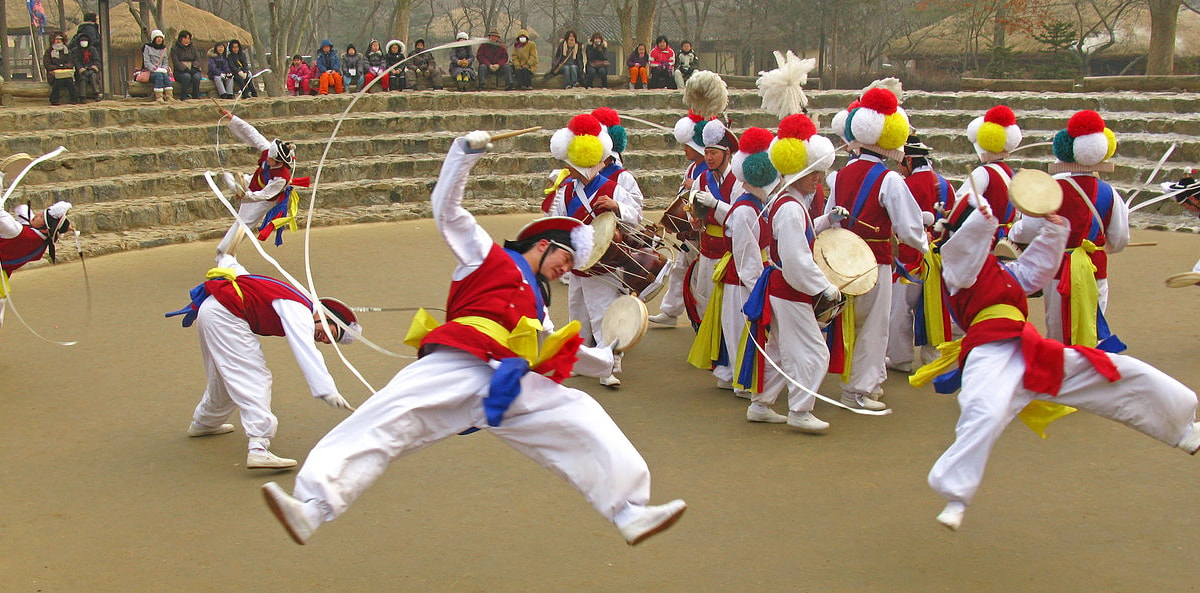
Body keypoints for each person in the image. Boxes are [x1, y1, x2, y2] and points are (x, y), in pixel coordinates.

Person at [260, 131, 687, 547]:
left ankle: (628, 510)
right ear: (542, 243)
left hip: (510, 382)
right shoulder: (485, 254)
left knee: (582, 413)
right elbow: (446, 210)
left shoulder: (539, 306)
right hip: (457, 362)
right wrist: (462, 153)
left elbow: (558, 349)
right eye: (565, 257)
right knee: (383, 418)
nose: (567, 268)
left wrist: (606, 352)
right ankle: (312, 506)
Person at [912, 197, 1200, 532]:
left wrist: (1054, 230)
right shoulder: (956, 267)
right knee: (984, 410)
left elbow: (1035, 270)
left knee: (1113, 371)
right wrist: (982, 219)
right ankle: (956, 496)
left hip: (1030, 349)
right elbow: (964, 247)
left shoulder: (1001, 271)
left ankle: (1183, 429)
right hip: (988, 350)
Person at [166, 253, 360, 470]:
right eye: (332, 333)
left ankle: (205, 422)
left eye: (330, 341)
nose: (325, 340)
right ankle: (259, 446)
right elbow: (306, 349)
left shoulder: (294, 301)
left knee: (224, 376)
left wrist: (226, 254)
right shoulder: (300, 310)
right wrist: (327, 390)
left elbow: (235, 268)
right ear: (328, 316)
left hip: (213, 311)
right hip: (225, 316)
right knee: (254, 377)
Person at [826, 86, 928, 410]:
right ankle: (859, 389)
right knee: (873, 324)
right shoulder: (890, 179)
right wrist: (925, 246)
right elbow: (909, 226)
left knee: (849, 320)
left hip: (841, 256)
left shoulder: (840, 174)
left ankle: (868, 379)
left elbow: (828, 217)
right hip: (874, 260)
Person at [741, 114, 840, 432]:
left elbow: (797, 242)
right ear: (798, 170)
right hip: (790, 289)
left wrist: (828, 220)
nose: (818, 180)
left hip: (783, 288)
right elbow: (797, 260)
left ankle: (760, 404)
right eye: (814, 174)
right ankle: (799, 410)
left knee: (781, 351)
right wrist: (825, 287)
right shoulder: (790, 206)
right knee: (814, 352)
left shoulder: (788, 202)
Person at [1009, 110, 1128, 349]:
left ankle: (1062, 374)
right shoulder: (1110, 193)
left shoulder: (1052, 189)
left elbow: (1030, 230)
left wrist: (1013, 233)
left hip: (1057, 267)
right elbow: (1120, 238)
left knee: (1057, 328)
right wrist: (1096, 246)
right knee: (1092, 325)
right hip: (1095, 267)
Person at [546, 113, 643, 388]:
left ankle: (607, 366)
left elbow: (635, 216)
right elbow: (561, 223)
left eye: (572, 166)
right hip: (579, 261)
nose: (569, 170)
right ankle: (581, 360)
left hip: (605, 261)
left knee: (602, 314)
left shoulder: (612, 188)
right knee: (578, 312)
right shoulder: (565, 191)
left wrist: (616, 207)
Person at [886, 135, 955, 374]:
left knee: (900, 310)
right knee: (934, 308)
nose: (898, 167)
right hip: (938, 257)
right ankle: (933, 356)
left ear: (908, 160)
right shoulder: (946, 184)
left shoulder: (906, 186)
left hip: (910, 257)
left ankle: (900, 357)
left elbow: (898, 222)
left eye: (900, 162)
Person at [685, 119, 744, 391]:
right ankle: (717, 360)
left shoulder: (738, 181)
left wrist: (716, 205)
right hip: (707, 247)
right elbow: (695, 210)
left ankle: (732, 364)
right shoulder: (701, 177)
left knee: (730, 312)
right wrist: (696, 219)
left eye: (714, 153)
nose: (708, 158)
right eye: (706, 152)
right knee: (705, 304)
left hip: (729, 253)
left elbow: (740, 217)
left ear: (727, 154)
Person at [215, 108, 311, 257]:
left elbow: (265, 194)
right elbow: (252, 133)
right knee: (229, 178)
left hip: (264, 199)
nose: (268, 159)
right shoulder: (269, 151)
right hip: (253, 182)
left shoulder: (281, 178)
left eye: (271, 160)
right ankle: (234, 186)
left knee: (244, 224)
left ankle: (225, 251)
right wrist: (232, 118)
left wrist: (246, 196)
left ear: (278, 161)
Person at [648, 111, 708, 327]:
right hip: (689, 231)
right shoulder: (693, 167)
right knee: (679, 270)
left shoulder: (709, 169)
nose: (684, 150)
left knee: (701, 280)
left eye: (688, 146)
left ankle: (702, 319)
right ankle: (670, 312)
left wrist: (698, 186)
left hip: (704, 232)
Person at [945, 105, 1022, 246]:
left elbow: (962, 204)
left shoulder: (983, 172)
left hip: (985, 242)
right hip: (1007, 242)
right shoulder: (1011, 173)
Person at [0, 201, 72, 326]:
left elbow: (3, 217)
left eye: (41, 217)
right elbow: (23, 212)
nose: (37, 214)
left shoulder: (21, 233)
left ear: (45, 229)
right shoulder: (41, 240)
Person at [44, 31, 78, 105]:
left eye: (60, 39)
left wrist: (65, 67)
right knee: (58, 81)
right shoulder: (49, 51)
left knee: (69, 81)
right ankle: (54, 100)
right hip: (53, 74)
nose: (58, 41)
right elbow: (47, 64)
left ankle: (74, 99)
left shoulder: (66, 50)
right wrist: (56, 68)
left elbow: (71, 62)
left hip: (66, 72)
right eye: (56, 39)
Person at [170, 30, 203, 100]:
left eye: (188, 39)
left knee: (197, 77)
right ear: (180, 39)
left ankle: (196, 95)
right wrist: (185, 69)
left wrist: (194, 67)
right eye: (184, 38)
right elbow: (176, 62)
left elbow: (198, 59)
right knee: (186, 76)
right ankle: (183, 95)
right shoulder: (175, 48)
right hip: (180, 72)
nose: (186, 40)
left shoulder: (193, 48)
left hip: (193, 69)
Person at [141, 30, 172, 102]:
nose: (159, 39)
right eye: (157, 37)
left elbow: (165, 62)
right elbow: (147, 62)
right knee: (159, 76)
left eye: (160, 38)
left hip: (162, 70)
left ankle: (169, 96)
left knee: (165, 76)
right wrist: (155, 69)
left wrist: (164, 69)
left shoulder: (164, 49)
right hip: (151, 72)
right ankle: (159, 97)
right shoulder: (147, 47)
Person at [70, 32, 102, 102]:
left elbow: (97, 60)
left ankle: (96, 94)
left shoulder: (93, 50)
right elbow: (76, 61)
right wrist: (81, 69)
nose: (84, 43)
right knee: (83, 78)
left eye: (85, 41)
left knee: (93, 76)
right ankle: (82, 96)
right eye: (82, 41)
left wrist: (93, 69)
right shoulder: (75, 51)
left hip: (91, 70)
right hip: (81, 71)